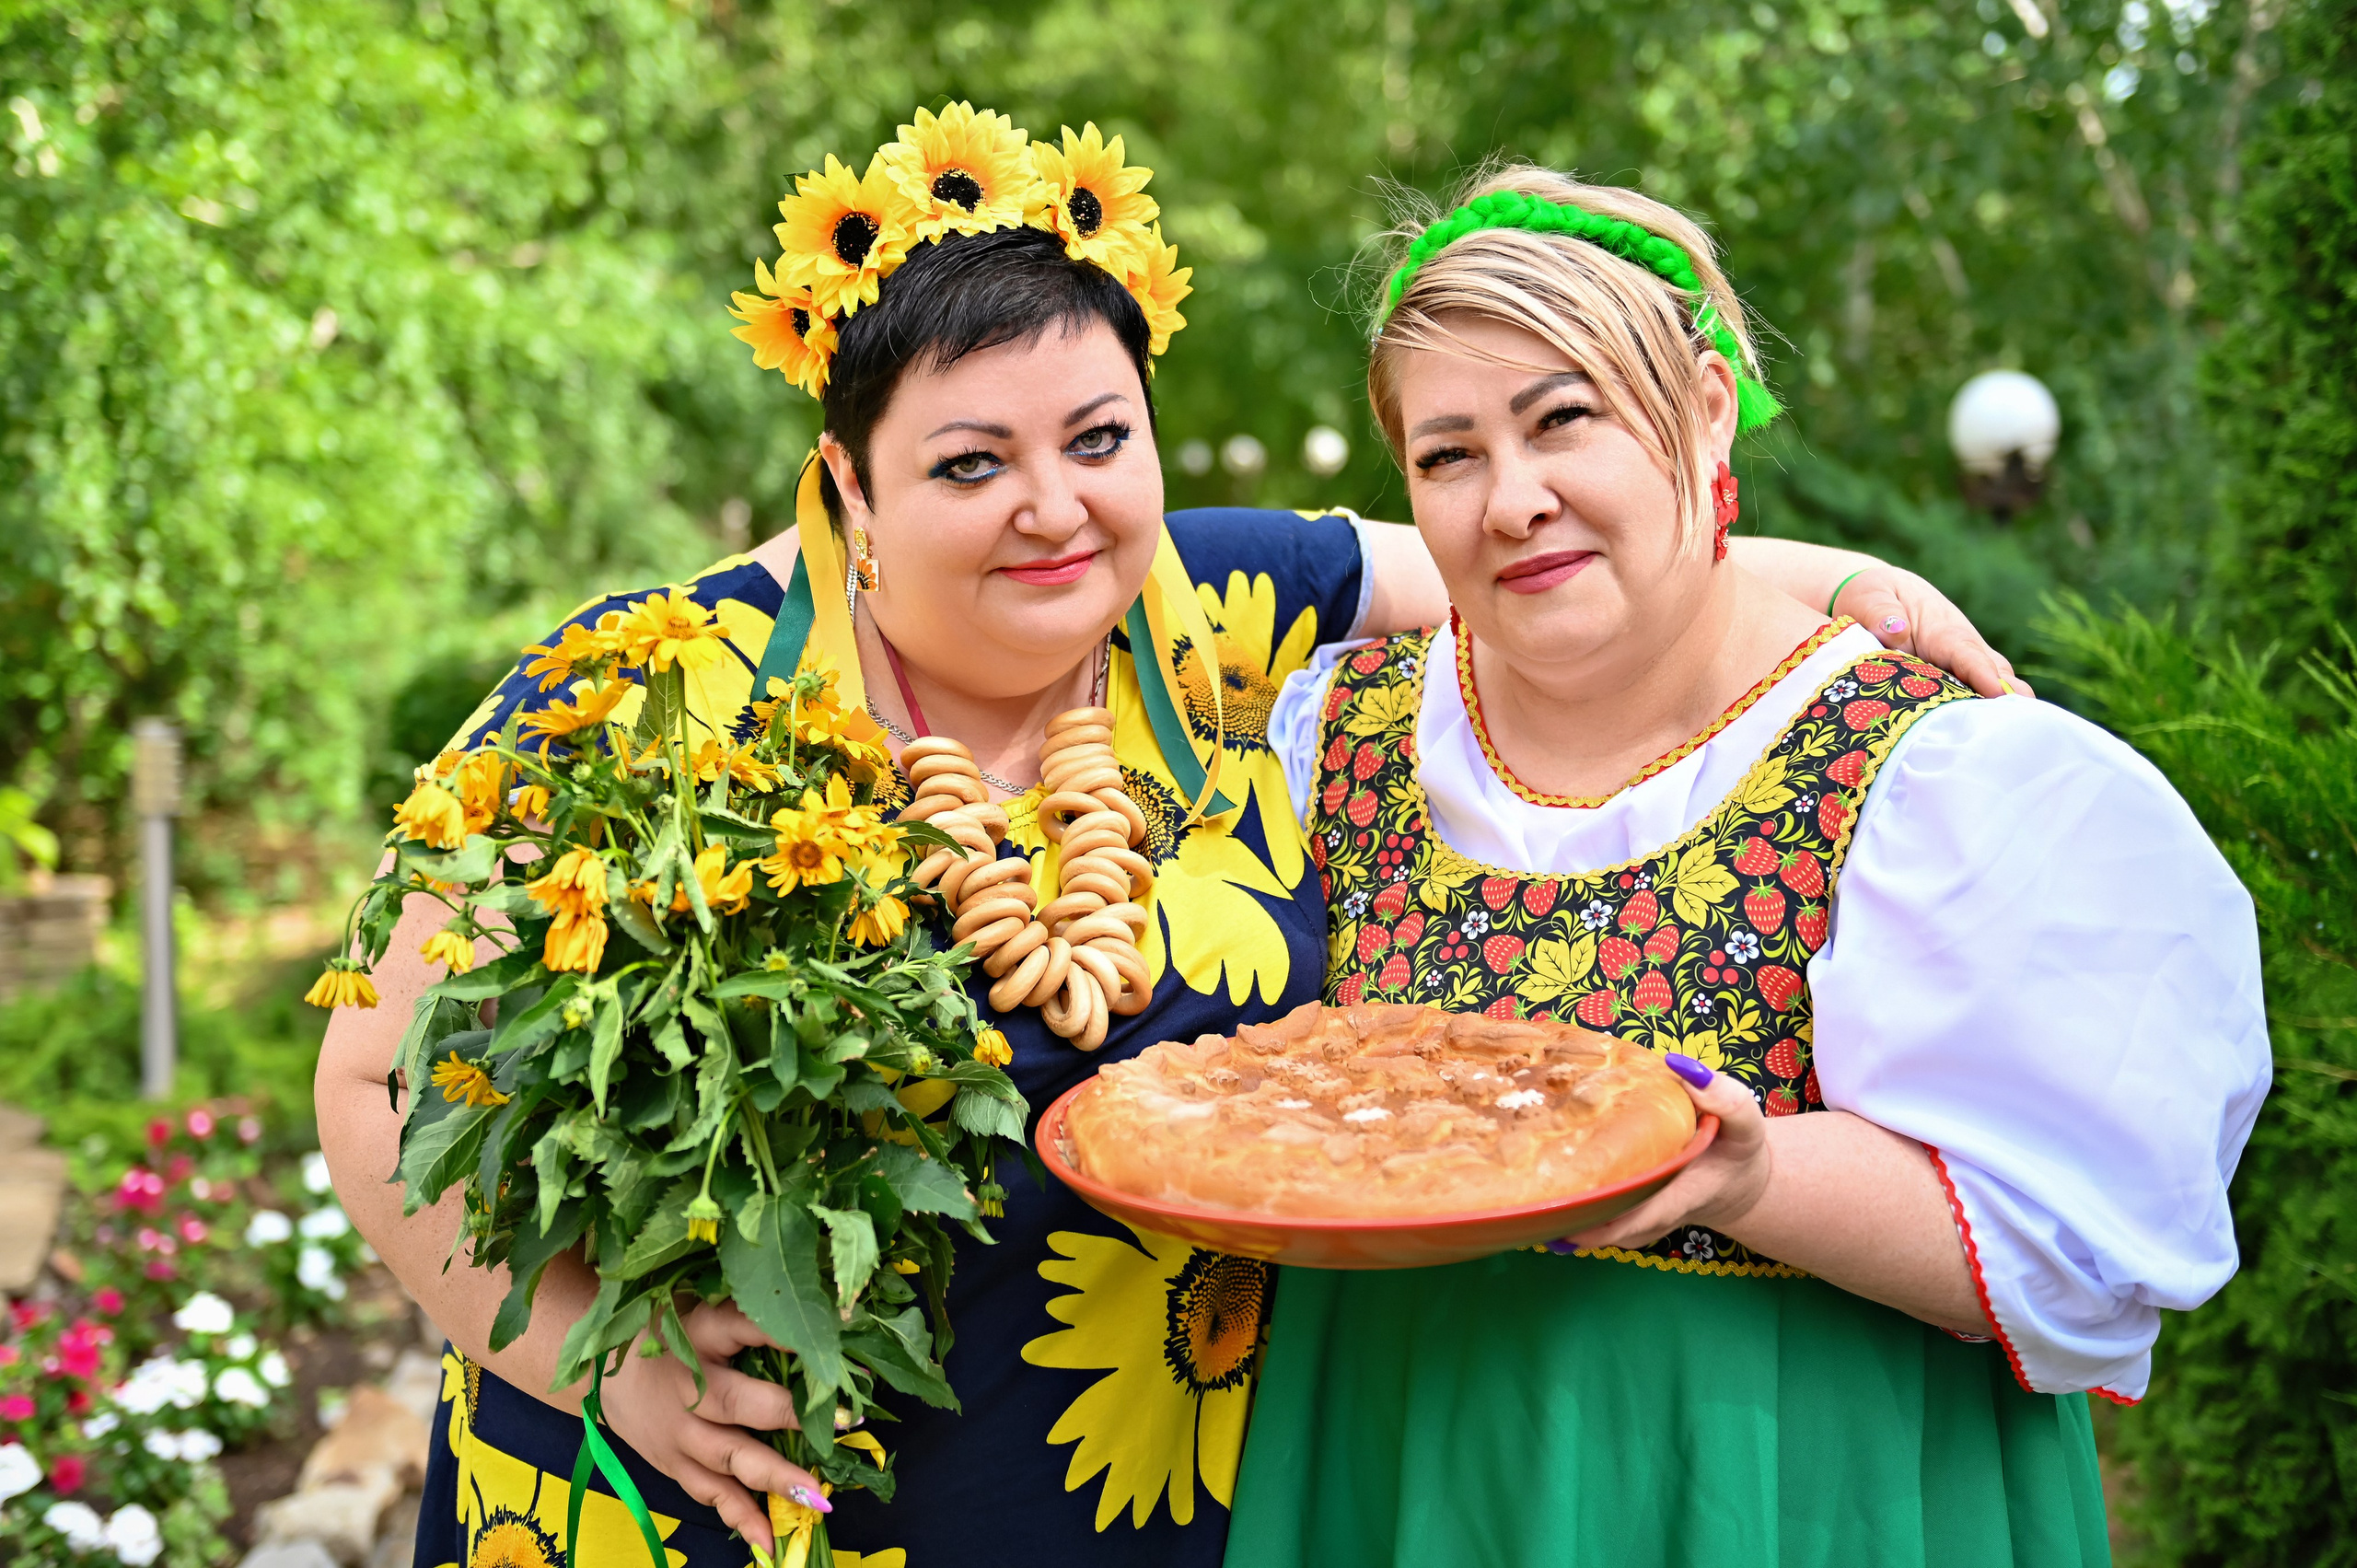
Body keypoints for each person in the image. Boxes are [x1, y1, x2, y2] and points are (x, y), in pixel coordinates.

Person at [315, 111, 2014, 1568]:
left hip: (1146, 1493)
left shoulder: (1212, 600)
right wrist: (593, 1364)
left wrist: (1844, 584)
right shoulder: (638, 694)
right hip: (701, 1501)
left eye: (1100, 439)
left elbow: (1532, 561)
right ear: (848, 486)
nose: (1056, 508)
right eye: (970, 462)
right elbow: (372, 1082)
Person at [1228, 166, 2272, 1568]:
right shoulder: (1323, 733)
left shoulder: (1927, 777)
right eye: (1450, 454)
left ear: (1706, 409)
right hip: (1398, 1456)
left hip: (1788, 1486)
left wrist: (1749, 1175)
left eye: (1564, 420)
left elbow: (2071, 1261)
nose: (1514, 498)